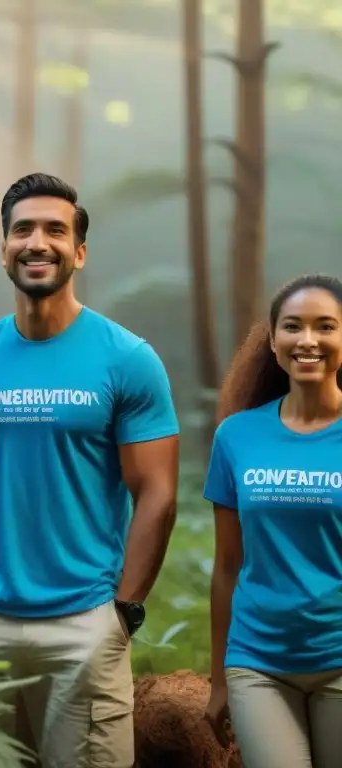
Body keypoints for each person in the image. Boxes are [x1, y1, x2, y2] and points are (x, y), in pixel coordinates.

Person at [0, 173, 180, 767]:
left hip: (83, 624)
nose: (37, 242)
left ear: (79, 251)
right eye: (23, 230)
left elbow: (158, 493)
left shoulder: (128, 359)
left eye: (55, 230)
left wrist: (123, 612)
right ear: (4, 248)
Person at [203, 274, 342, 768]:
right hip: (258, 662)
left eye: (325, 327)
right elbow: (226, 565)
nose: (308, 340)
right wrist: (219, 678)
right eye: (293, 327)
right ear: (274, 339)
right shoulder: (236, 436)